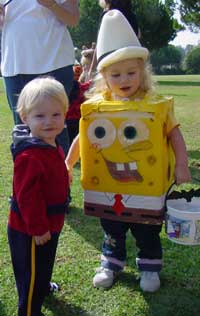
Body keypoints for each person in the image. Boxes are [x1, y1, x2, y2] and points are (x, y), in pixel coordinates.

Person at [65, 10, 191, 293]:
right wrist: (67, 162)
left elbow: (174, 134)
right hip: (106, 186)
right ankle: (111, 262)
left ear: (142, 73)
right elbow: (84, 137)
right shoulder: (97, 107)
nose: (124, 79)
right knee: (112, 225)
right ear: (105, 78)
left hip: (148, 187)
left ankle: (148, 266)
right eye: (116, 74)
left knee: (147, 227)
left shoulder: (155, 104)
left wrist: (182, 165)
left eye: (131, 72)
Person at [8, 77, 69, 316]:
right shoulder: (29, 155)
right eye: (40, 116)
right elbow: (27, 197)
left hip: (50, 224)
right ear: (25, 118)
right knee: (30, 272)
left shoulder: (51, 144)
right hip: (31, 229)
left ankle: (42, 286)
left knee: (44, 263)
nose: (49, 122)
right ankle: (29, 309)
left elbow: (51, 174)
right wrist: (37, 228)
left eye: (56, 114)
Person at [0, 0, 79, 156]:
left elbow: (73, 19)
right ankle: (27, 178)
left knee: (57, 130)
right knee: (23, 133)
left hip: (55, 64)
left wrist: (51, 4)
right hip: (15, 66)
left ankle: (60, 178)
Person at [88, 0, 140, 79]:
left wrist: (92, 69)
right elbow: (138, 36)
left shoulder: (107, 16)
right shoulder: (132, 16)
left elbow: (100, 42)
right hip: (131, 61)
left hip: (112, 63)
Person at [66, 64, 91, 145]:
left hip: (67, 120)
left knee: (69, 141)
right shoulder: (80, 87)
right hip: (78, 119)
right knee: (78, 141)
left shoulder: (66, 89)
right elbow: (88, 85)